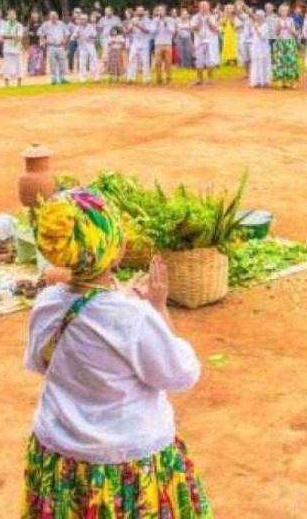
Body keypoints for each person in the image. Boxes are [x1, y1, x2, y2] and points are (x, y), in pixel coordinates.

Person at [25, 188, 211, 518]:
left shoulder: (46, 304)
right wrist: (157, 309)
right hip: (127, 468)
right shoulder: (132, 318)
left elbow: (42, 363)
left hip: (61, 461)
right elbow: (182, 374)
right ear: (114, 253)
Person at [271, 3, 300, 89]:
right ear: (279, 11)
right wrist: (279, 27)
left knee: (290, 61)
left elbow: (295, 33)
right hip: (280, 43)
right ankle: (281, 80)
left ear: (288, 11)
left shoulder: (291, 20)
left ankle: (291, 81)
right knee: (280, 62)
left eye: (286, 10)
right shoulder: (277, 20)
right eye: (282, 10)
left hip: (289, 42)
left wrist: (291, 29)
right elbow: (275, 34)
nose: (284, 12)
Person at [191, 1, 220, 86]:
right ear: (199, 7)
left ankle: (210, 78)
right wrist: (200, 22)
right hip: (199, 41)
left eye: (206, 6)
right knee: (199, 60)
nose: (204, 8)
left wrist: (208, 21)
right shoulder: (195, 17)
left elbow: (215, 29)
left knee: (210, 61)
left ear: (208, 7)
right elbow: (193, 29)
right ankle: (199, 79)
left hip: (210, 41)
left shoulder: (212, 17)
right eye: (202, 6)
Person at [39, 11, 69, 85]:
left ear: (57, 16)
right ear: (50, 17)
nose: (54, 18)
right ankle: (53, 78)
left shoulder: (61, 24)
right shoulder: (46, 25)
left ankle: (63, 78)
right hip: (51, 46)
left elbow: (67, 33)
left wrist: (65, 40)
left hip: (60, 46)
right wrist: (44, 40)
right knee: (52, 63)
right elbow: (40, 33)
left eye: (55, 16)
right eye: (52, 16)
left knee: (62, 62)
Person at [1, 9, 25, 87]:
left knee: (18, 65)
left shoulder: (19, 25)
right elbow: (2, 36)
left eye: (13, 15)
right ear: (8, 16)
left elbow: (19, 37)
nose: (11, 16)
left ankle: (19, 83)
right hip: (7, 49)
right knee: (6, 66)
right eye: (10, 15)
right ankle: (7, 83)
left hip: (16, 49)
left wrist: (10, 36)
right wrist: (12, 36)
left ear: (15, 16)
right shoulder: (4, 25)